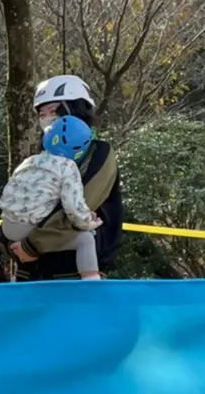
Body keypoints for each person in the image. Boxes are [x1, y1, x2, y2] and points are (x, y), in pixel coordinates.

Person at [12, 75, 122, 280]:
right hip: (34, 270)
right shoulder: (40, 157)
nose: (47, 118)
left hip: (78, 271)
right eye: (42, 113)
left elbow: (81, 206)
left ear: (76, 109)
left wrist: (32, 245)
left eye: (53, 110)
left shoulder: (98, 153)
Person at [0, 116, 102, 279]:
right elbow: (73, 206)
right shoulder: (68, 166)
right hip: (28, 230)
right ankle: (92, 284)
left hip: (7, 226)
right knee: (86, 239)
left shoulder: (29, 161)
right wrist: (88, 222)